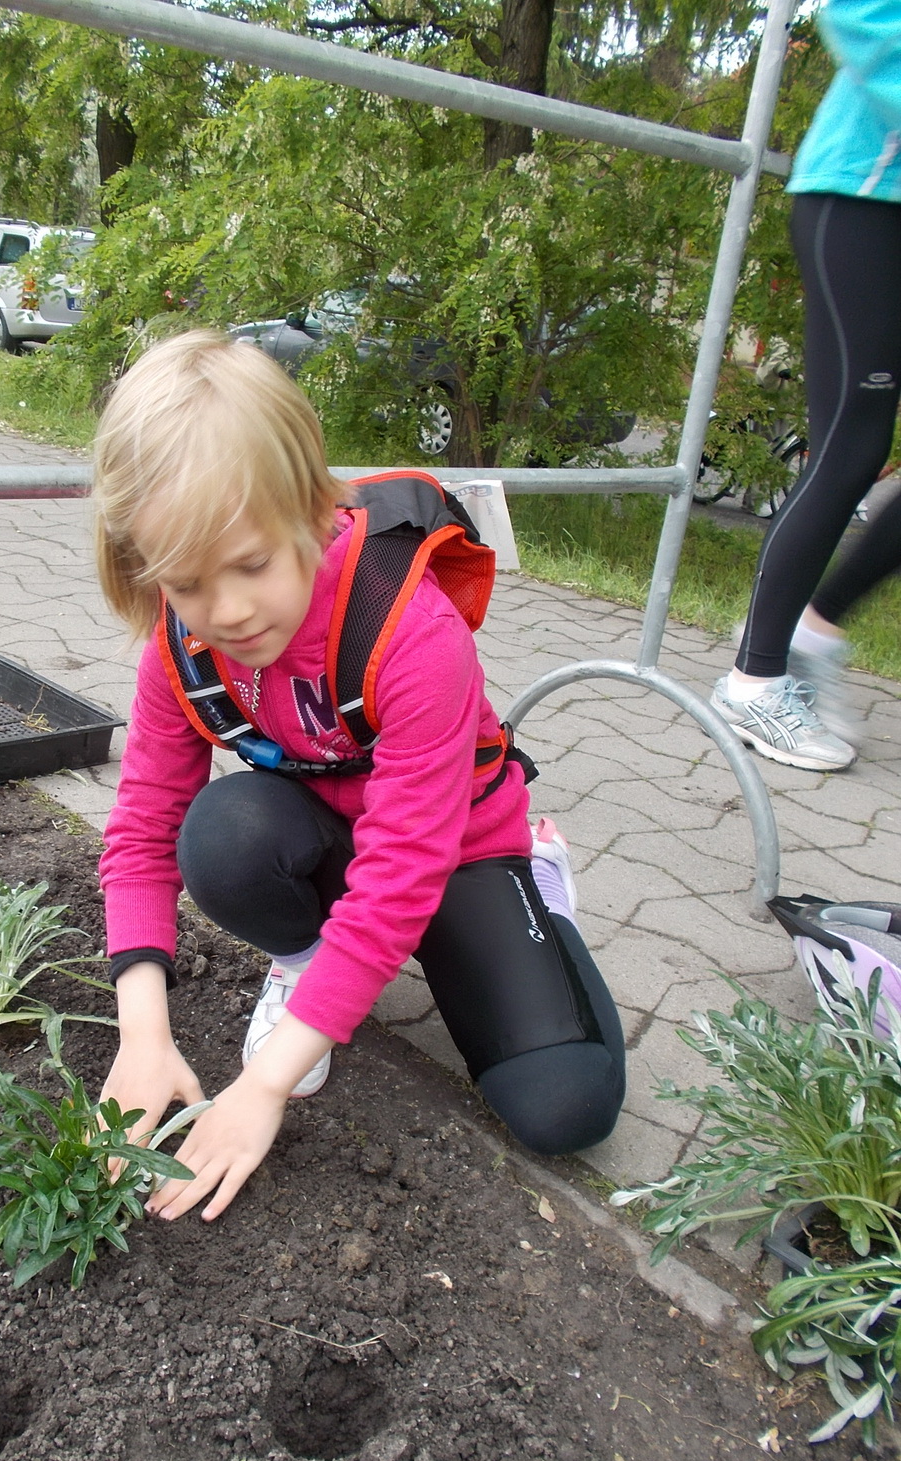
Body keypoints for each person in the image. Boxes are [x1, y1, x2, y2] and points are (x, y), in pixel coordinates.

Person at [94, 331, 625, 1223]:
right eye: (186, 582)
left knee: (565, 1106)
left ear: (311, 509)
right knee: (220, 837)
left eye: (253, 565)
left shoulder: (412, 634)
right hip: (326, 838)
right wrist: (141, 1036)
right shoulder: (180, 644)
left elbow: (401, 875)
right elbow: (143, 826)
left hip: (450, 850)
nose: (227, 610)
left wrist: (260, 1088)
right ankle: (305, 964)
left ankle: (541, 888)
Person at [711, 0, 901, 772]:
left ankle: (815, 632)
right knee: (851, 447)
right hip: (862, 195)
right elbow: (860, 14)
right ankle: (755, 678)